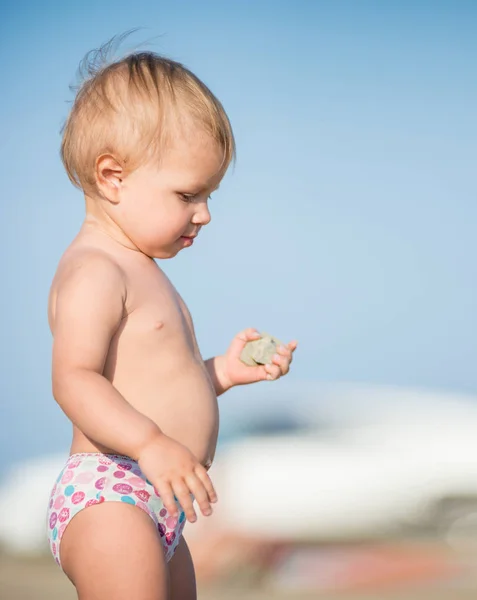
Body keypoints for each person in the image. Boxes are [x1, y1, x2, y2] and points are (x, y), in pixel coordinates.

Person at [45, 36, 297, 600]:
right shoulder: (96, 270)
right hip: (109, 491)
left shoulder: (144, 271)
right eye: (187, 194)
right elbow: (74, 379)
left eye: (208, 195)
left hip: (158, 502)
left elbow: (154, 382)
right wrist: (151, 441)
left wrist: (221, 374)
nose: (204, 214)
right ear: (112, 177)